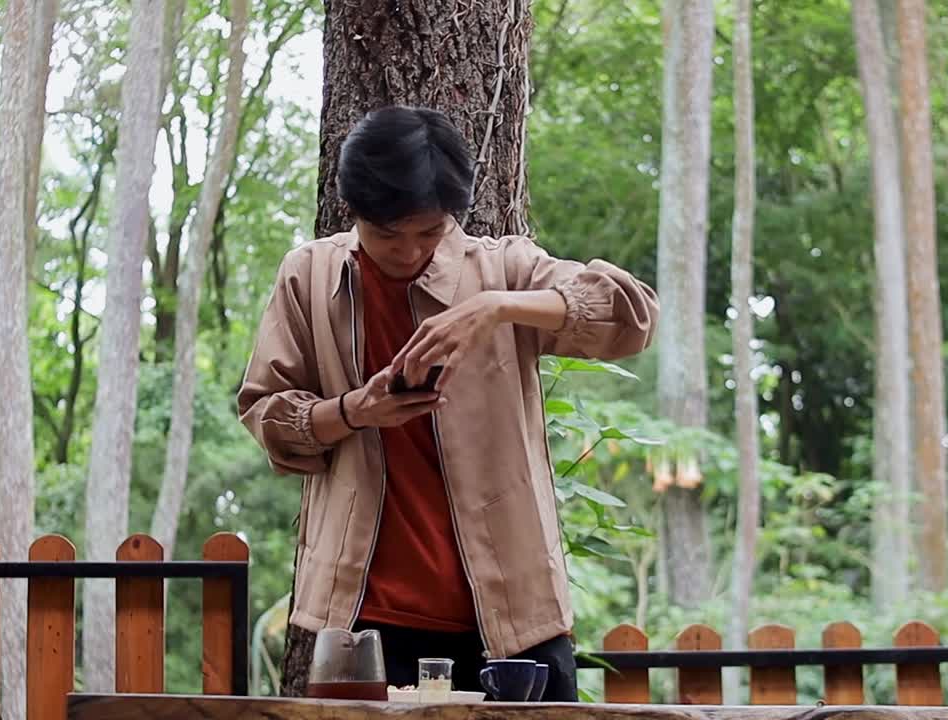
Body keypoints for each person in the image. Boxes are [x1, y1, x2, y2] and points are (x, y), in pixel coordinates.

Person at [237, 105, 659, 701]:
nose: (409, 252)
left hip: (514, 622)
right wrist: (356, 410)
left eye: (429, 232)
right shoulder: (308, 276)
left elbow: (633, 315)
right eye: (387, 234)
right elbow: (268, 414)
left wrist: (497, 307)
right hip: (366, 623)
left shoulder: (503, 268)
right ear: (351, 210)